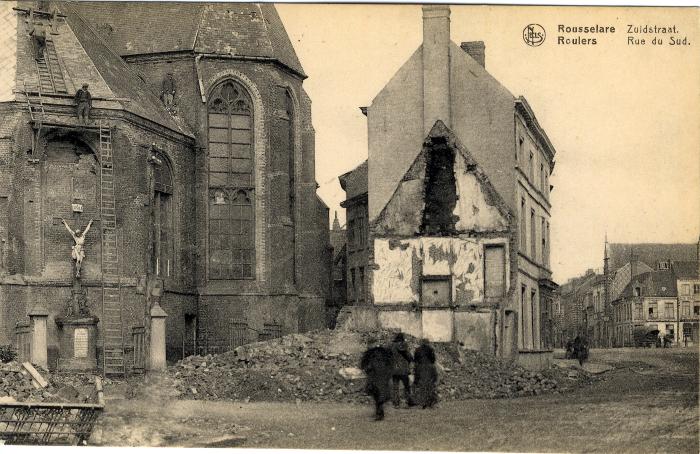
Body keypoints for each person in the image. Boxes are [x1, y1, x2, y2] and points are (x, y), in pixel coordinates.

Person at [360, 341, 393, 421]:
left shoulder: (370, 354)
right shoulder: (385, 353)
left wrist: (367, 370)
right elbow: (390, 365)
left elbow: (364, 365)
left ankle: (379, 413)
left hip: (374, 377)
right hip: (383, 377)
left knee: (376, 395)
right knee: (380, 394)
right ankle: (380, 412)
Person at [389, 332, 415, 408]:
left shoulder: (392, 346)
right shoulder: (403, 345)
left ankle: (396, 404)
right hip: (403, 370)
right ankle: (409, 401)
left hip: (394, 370)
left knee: (395, 387)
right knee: (406, 386)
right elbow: (409, 356)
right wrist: (411, 359)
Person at [413, 338, 438, 409]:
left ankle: (423, 403)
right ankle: (430, 403)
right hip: (429, 367)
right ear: (428, 342)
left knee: (422, 386)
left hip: (420, 368)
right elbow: (433, 359)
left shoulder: (417, 350)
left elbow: (415, 360)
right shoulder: (430, 349)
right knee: (430, 385)